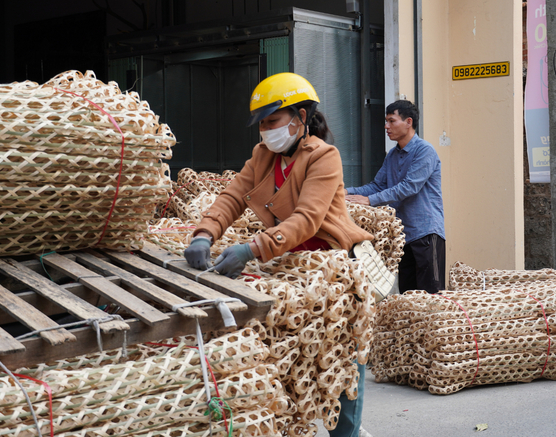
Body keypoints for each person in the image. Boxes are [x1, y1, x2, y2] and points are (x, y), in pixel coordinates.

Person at [183, 72, 372, 437]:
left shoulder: (324, 156)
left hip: (330, 266)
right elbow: (233, 196)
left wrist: (252, 248)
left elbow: (307, 218)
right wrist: (204, 234)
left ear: (300, 118)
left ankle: (347, 432)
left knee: (340, 357)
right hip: (287, 265)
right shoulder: (263, 156)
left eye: (273, 121)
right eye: (262, 124)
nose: (265, 131)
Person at [345, 100, 446, 294]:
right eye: (386, 121)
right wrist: (347, 192)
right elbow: (377, 185)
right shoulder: (392, 155)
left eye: (391, 121)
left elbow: (409, 187)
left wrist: (369, 201)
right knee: (407, 297)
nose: (386, 126)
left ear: (408, 122)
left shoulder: (425, 151)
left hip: (426, 234)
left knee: (431, 297)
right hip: (401, 237)